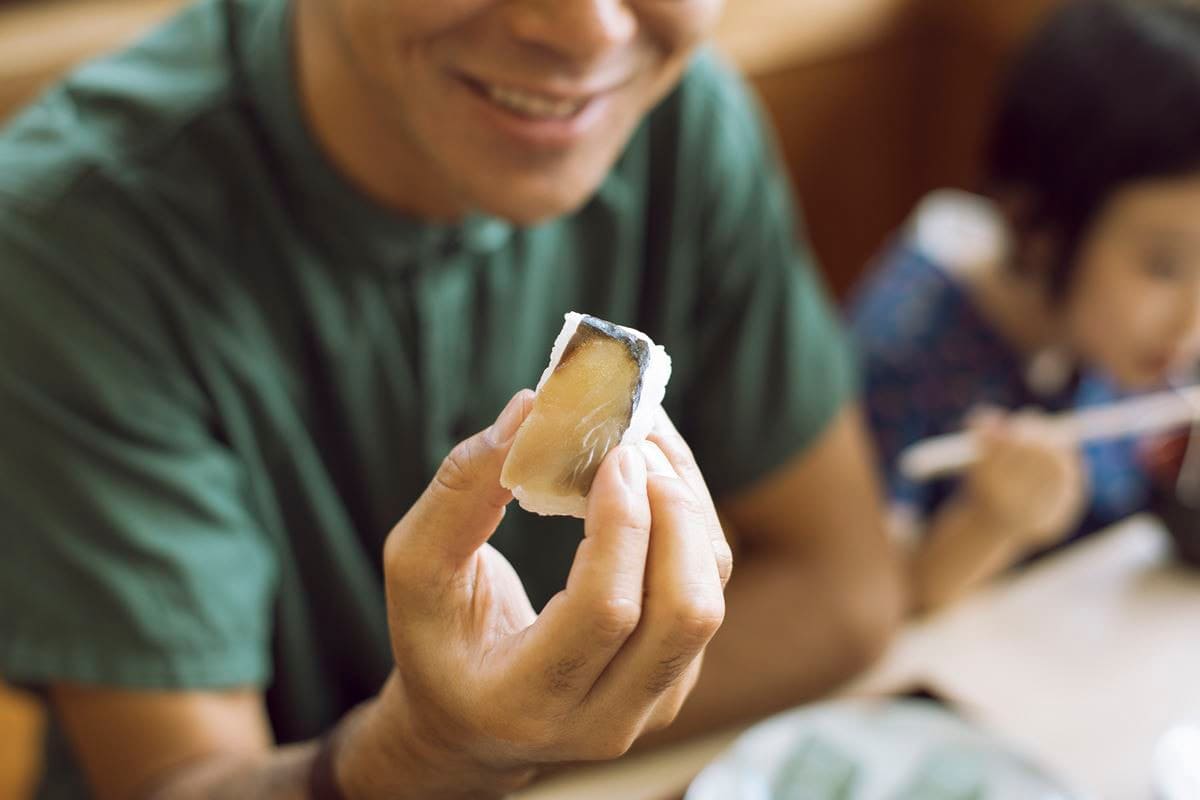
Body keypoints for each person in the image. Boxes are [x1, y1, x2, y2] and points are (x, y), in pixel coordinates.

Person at [0, 0, 903, 797]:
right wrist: (430, 751)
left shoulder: (680, 118)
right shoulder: (71, 241)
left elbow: (845, 596)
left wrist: (503, 742)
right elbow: (176, 781)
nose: (591, 26)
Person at [848, 0, 1200, 613]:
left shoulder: (1131, 335)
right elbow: (872, 609)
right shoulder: (902, 347)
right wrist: (992, 524)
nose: (1193, 321)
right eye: (1163, 267)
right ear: (1036, 222)